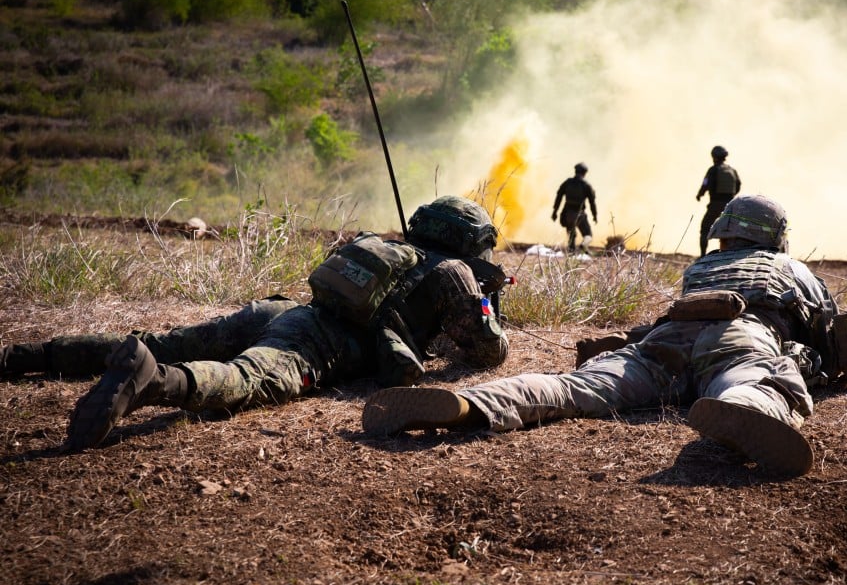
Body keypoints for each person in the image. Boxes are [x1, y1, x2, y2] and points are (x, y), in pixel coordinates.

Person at [362, 195, 847, 477]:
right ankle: (748, 410)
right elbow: (832, 336)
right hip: (743, 336)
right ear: (775, 237)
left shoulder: (703, 267)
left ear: (725, 234)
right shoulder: (791, 268)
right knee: (757, 379)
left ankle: (471, 404)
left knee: (573, 387)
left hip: (664, 340)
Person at [1, 196, 510, 451]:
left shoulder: (387, 245)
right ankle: (152, 380)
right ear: (470, 239)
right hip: (322, 341)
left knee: (169, 339)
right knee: (248, 379)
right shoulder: (454, 272)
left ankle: (23, 358)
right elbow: (488, 352)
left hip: (288, 310)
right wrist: (487, 303)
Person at [695, 145, 742, 257]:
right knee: (730, 231)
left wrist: (700, 195)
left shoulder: (713, 170)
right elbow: (738, 185)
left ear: (714, 157)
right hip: (730, 206)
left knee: (705, 229)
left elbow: (705, 184)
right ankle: (730, 255)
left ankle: (702, 256)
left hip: (715, 205)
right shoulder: (732, 170)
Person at [551, 162, 598, 253]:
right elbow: (592, 202)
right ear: (584, 173)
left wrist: (555, 212)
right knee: (588, 235)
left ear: (575, 171)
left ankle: (571, 254)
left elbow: (559, 196)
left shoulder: (567, 183)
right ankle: (584, 245)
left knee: (571, 236)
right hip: (580, 214)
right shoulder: (586, 186)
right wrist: (595, 215)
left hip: (568, 214)